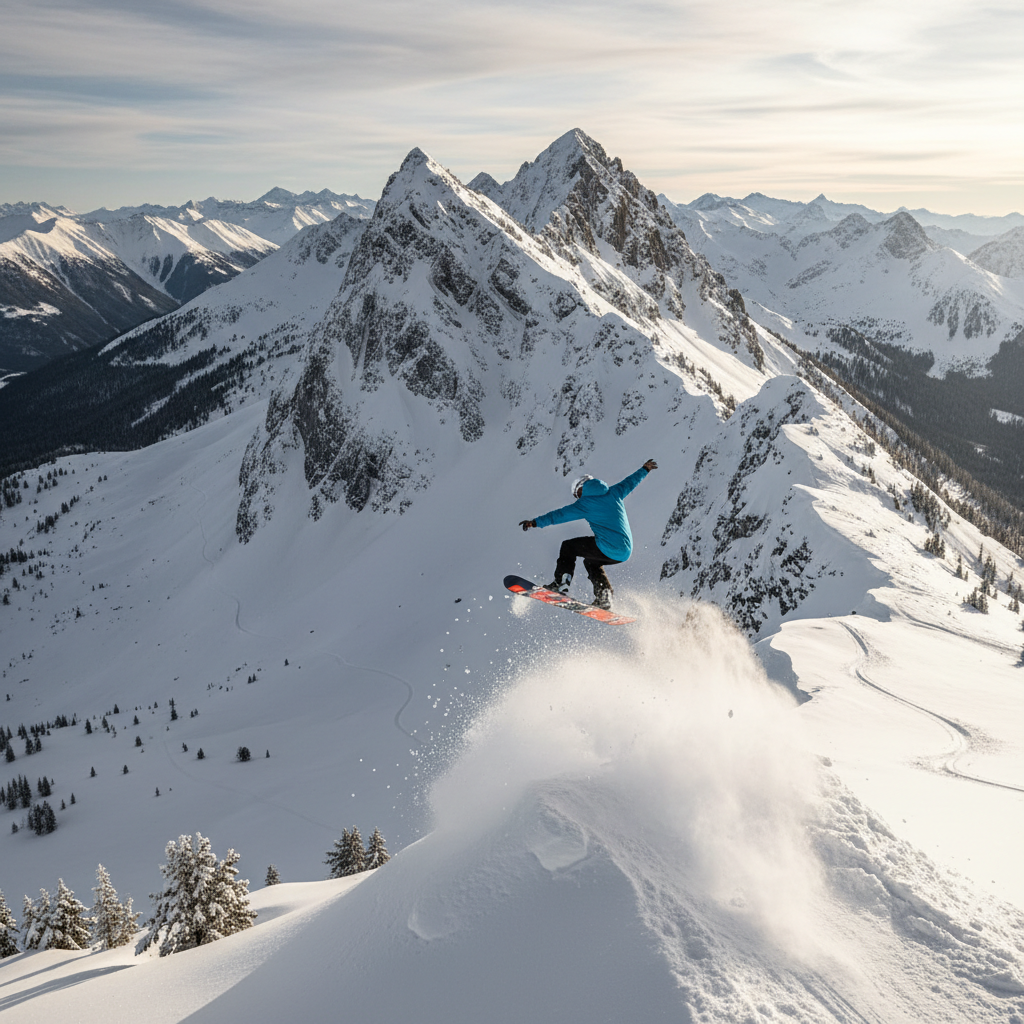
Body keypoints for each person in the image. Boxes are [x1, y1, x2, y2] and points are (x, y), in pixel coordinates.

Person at [518, 459, 658, 610]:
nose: (578, 498)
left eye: (576, 495)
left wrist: (535, 522)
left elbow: (560, 515)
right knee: (591, 562)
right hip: (624, 551)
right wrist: (645, 469)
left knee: (568, 546)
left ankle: (560, 584)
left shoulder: (585, 503)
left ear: (580, 489)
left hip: (607, 546)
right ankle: (605, 597)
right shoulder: (614, 492)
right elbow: (630, 482)